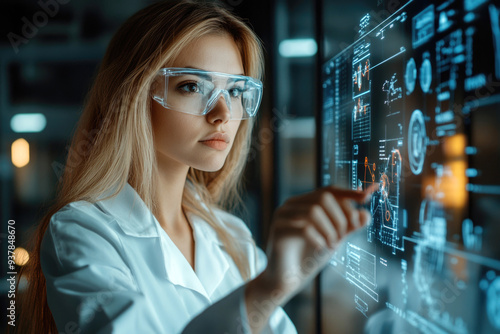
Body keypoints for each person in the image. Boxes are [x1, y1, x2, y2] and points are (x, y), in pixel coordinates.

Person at [13, 1, 374, 333]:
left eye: (234, 91)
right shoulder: (81, 230)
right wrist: (268, 286)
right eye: (192, 86)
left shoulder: (232, 237)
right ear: (134, 96)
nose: (223, 114)